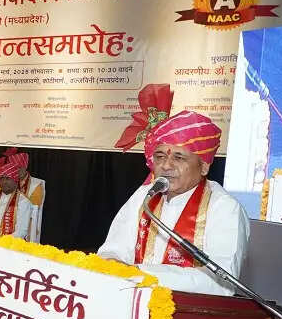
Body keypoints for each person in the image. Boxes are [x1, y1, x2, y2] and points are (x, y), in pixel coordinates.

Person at [98, 110, 249, 296]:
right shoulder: (145, 195)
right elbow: (113, 250)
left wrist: (141, 275)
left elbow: (220, 281)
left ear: (204, 166)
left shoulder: (224, 208)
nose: (166, 165)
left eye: (178, 157)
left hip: (188, 309)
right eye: (160, 156)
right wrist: (113, 264)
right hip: (130, 299)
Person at [0, 162, 33, 239]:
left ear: (15, 180)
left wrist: (2, 241)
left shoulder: (23, 202)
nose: (4, 182)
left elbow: (21, 232)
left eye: (8, 178)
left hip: (11, 242)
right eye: (2, 178)